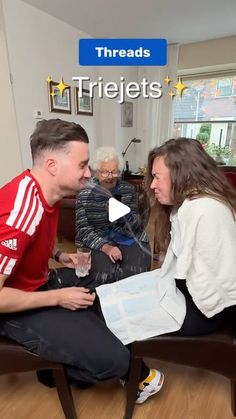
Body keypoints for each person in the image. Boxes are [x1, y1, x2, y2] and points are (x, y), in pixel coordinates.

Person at [0, 119, 162, 405]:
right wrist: (58, 298)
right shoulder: (18, 212)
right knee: (114, 360)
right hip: (13, 307)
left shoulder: (44, 195)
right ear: (52, 165)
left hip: (38, 285)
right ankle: (75, 364)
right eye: (82, 165)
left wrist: (61, 256)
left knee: (108, 286)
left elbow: (36, 239)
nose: (89, 173)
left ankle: (62, 360)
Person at [95, 138, 236, 396]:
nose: (152, 185)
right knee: (108, 293)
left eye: (158, 177)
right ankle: (138, 373)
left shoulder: (204, 210)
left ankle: (141, 379)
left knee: (109, 310)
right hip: (186, 293)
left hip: (204, 310)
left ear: (182, 173)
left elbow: (219, 283)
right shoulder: (190, 205)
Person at [74, 146, 151, 289]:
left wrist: (124, 215)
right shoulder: (85, 194)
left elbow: (137, 226)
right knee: (105, 276)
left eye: (114, 171)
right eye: (105, 172)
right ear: (97, 172)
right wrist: (106, 247)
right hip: (97, 239)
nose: (110, 176)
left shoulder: (127, 190)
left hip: (127, 237)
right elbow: (83, 230)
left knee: (137, 274)